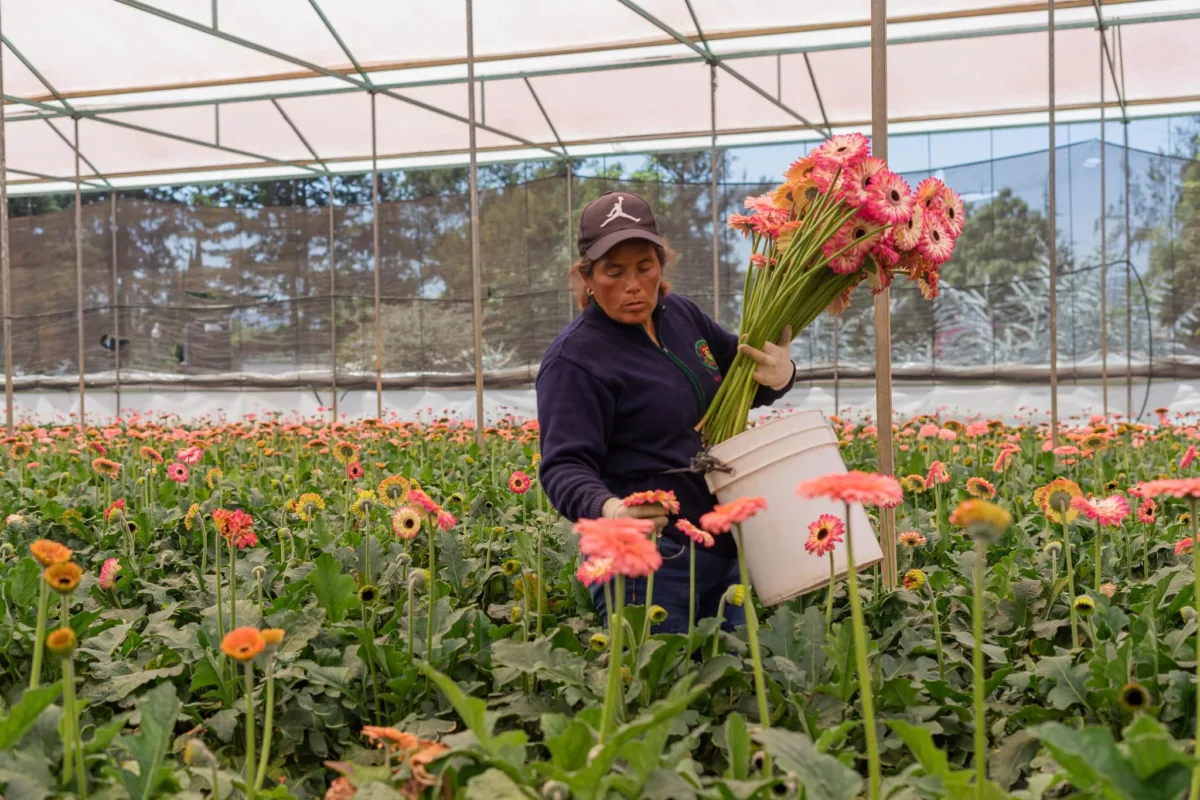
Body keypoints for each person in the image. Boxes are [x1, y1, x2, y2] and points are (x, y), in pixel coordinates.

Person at [536, 190, 797, 633]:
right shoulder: (574, 360)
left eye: (644, 267)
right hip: (646, 561)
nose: (633, 285)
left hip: (725, 548)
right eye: (613, 272)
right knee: (656, 693)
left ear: (662, 263)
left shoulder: (681, 315)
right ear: (587, 277)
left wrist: (779, 374)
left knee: (734, 688)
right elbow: (563, 465)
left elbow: (740, 376)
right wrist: (610, 510)